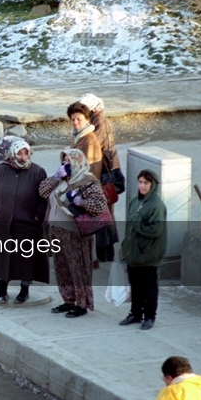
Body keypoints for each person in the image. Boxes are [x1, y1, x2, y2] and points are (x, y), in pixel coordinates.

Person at [39, 148, 107, 317]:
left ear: (78, 162)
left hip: (75, 233)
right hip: (56, 231)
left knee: (78, 269)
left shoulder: (88, 181)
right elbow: (42, 191)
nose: (65, 164)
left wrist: (80, 201)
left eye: (69, 161)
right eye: (64, 160)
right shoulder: (62, 179)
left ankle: (82, 303)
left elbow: (99, 205)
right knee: (62, 268)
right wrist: (56, 177)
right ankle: (68, 299)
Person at [0, 137, 48, 304]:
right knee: (2, 258)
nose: (23, 157)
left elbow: (44, 198)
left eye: (26, 153)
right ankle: (2, 291)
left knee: (25, 259)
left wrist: (38, 215)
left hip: (26, 225)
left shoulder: (38, 172)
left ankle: (24, 291)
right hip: (1, 223)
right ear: (12, 154)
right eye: (19, 153)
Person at [78, 92, 123, 262]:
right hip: (104, 174)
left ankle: (105, 255)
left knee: (103, 215)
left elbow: (92, 144)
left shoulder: (99, 122)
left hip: (103, 176)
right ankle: (105, 254)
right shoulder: (97, 120)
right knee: (104, 214)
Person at [120, 170, 166, 330]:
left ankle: (150, 316)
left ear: (152, 185)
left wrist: (137, 221)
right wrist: (125, 247)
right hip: (133, 253)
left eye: (145, 183)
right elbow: (129, 228)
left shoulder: (156, 205)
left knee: (149, 287)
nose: (142, 185)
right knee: (136, 286)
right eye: (140, 182)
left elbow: (155, 230)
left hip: (148, 255)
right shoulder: (135, 201)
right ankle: (135, 313)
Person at [67, 101, 103, 180]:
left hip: (85, 186)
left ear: (87, 120)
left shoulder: (89, 139)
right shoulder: (77, 136)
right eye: (73, 119)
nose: (75, 122)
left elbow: (91, 168)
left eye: (79, 119)